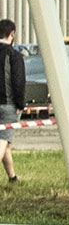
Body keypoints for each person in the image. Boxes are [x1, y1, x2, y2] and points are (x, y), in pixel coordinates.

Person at [0, 18, 22, 185]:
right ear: (12, 34)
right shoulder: (14, 55)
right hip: (7, 105)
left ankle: (12, 178)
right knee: (3, 141)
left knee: (5, 142)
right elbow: (18, 81)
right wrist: (20, 105)